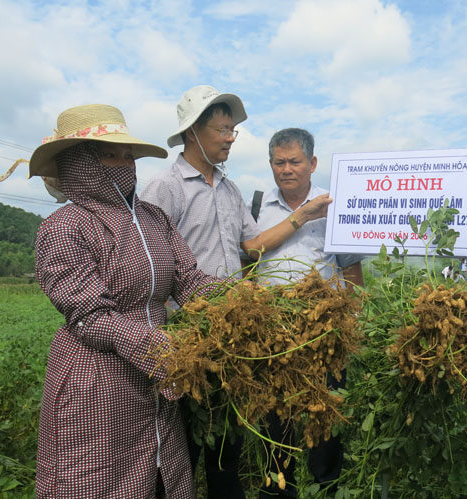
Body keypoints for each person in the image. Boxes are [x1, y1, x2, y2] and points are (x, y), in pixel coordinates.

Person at [140, 86, 331, 498]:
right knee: (182, 442)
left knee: (228, 440)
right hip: (185, 334)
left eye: (233, 131)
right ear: (193, 133)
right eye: (223, 129)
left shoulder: (229, 190)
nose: (230, 137)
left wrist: (301, 218)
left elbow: (252, 247)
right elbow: (149, 264)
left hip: (231, 333)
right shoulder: (164, 188)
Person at [30, 104, 220, 498]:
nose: (123, 163)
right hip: (98, 380)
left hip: (157, 377)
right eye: (108, 153)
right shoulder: (64, 227)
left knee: (158, 475)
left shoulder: (154, 219)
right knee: (98, 479)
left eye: (128, 154)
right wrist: (157, 348)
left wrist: (243, 306)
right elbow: (90, 315)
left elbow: (190, 281)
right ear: (77, 162)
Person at [252, 128, 364, 498]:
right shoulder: (257, 206)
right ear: (270, 165)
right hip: (273, 335)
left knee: (324, 419)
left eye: (294, 161)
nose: (287, 169)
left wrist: (353, 320)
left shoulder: (333, 205)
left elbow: (350, 269)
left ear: (312, 164)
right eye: (279, 162)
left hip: (324, 334)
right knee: (275, 422)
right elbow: (248, 254)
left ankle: (326, 488)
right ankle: (280, 491)